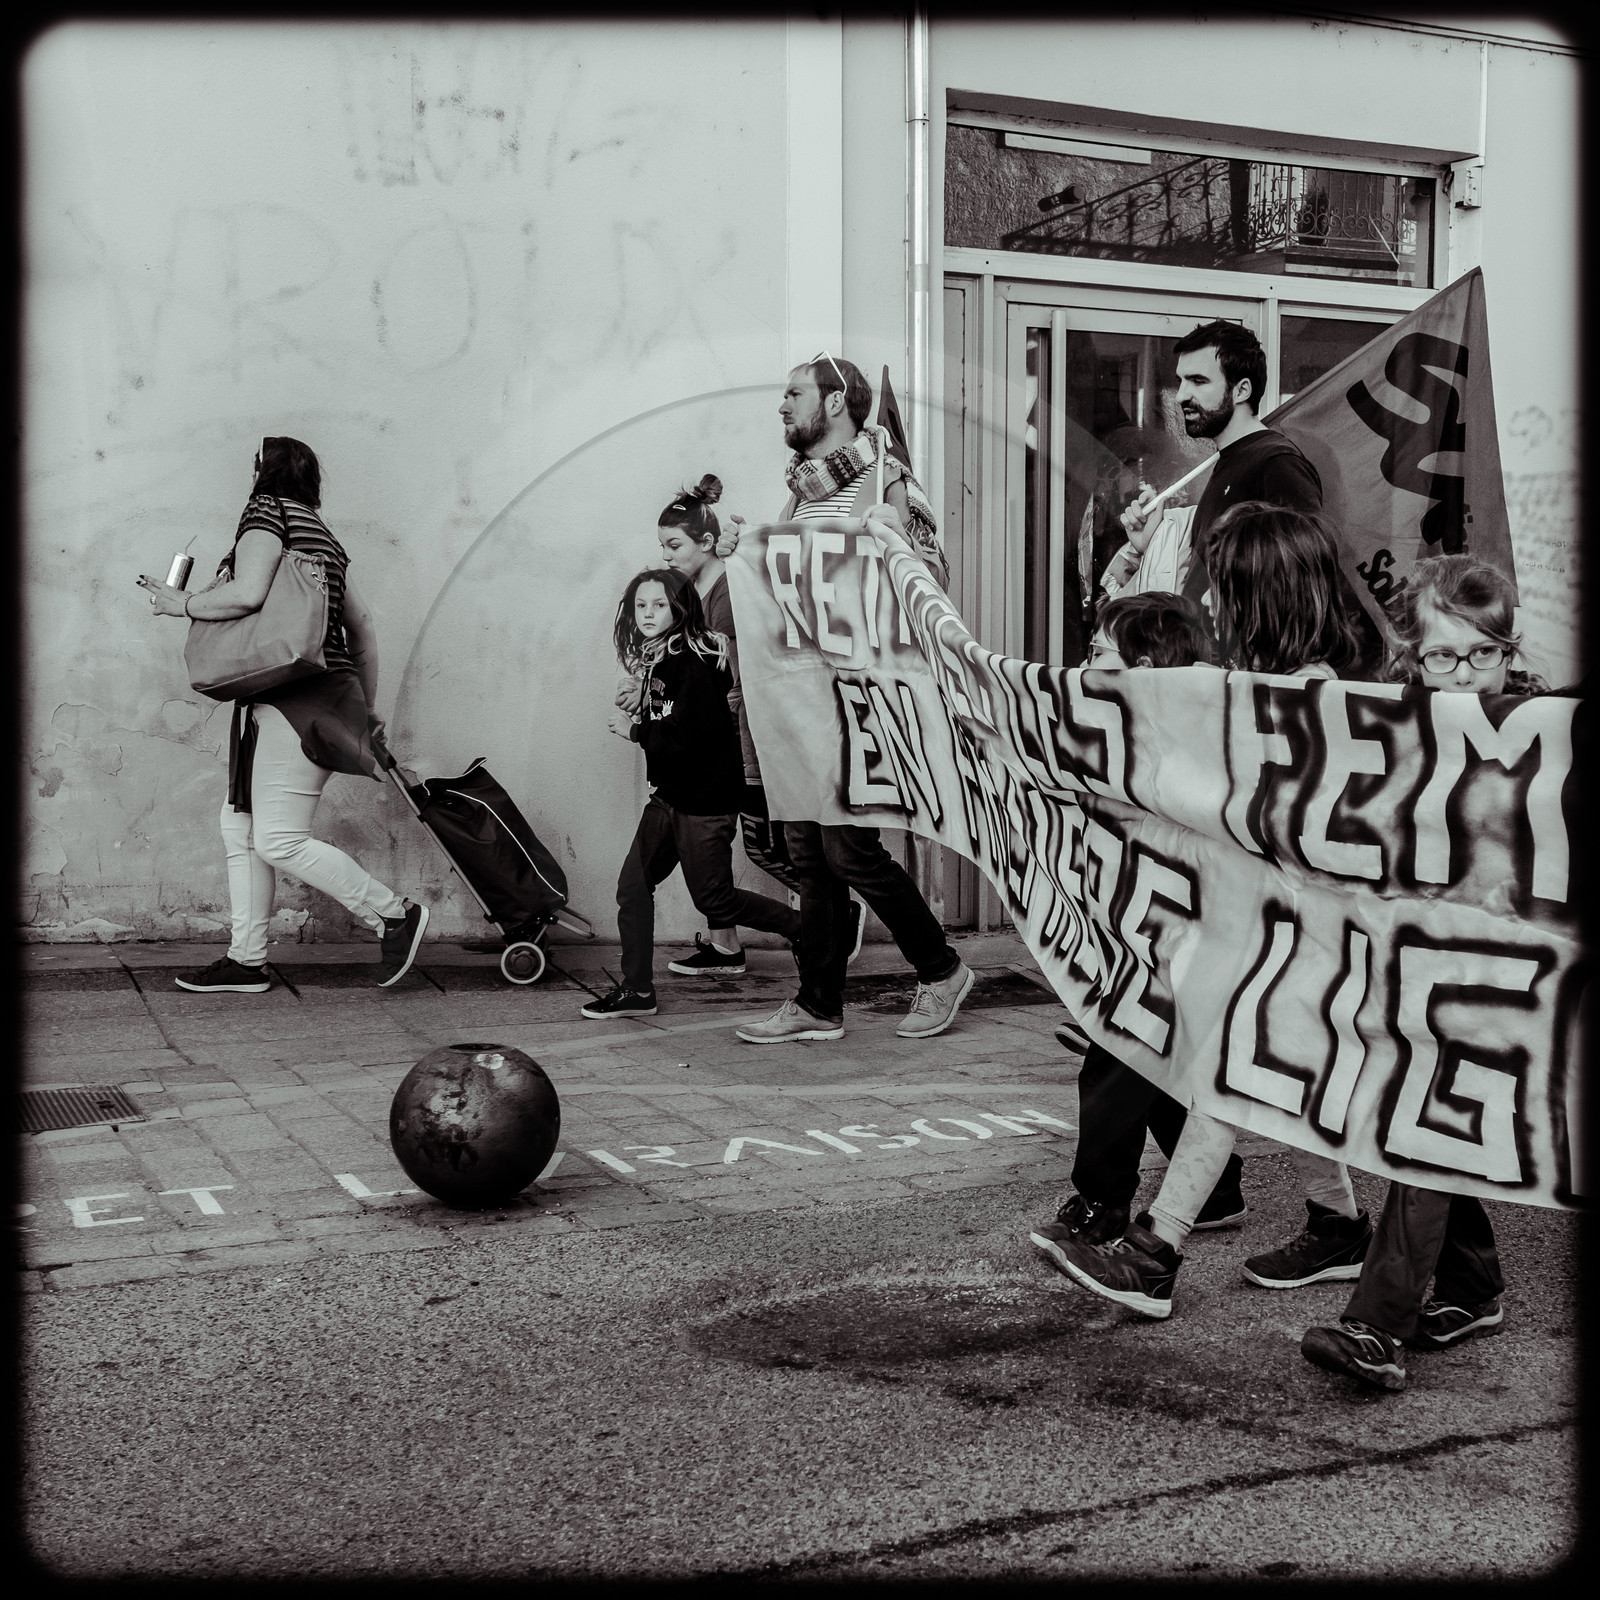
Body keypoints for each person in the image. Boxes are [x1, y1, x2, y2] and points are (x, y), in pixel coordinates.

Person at [1044, 503, 1374, 1319]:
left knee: (1235, 1073)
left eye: (1223, 589)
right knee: (1277, 1080)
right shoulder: (1270, 690)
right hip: (1274, 926)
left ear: (1263, 598)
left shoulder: (1312, 701)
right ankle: (1338, 1224)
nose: (1212, 604)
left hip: (1304, 931)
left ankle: (1158, 1250)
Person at [1301, 555, 1546, 1392]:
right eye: (1445, 657)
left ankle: (1375, 1323)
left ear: (1511, 651)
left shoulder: (1549, 735)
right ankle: (1473, 1286)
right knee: (1429, 1119)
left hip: (1515, 980)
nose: (1467, 676)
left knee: (1425, 1123)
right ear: (1412, 658)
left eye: (1486, 654)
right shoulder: (1395, 727)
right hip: (1430, 966)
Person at [719, 354, 974, 1045]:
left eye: (793, 393)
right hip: (805, 699)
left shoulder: (885, 477)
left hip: (857, 700)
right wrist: (746, 551)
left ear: (835, 402)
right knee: (807, 850)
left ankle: (941, 969)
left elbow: (930, 577)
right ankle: (817, 1003)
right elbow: (780, 587)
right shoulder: (802, 493)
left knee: (849, 851)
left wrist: (885, 542)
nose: (782, 406)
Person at [137, 437, 428, 992]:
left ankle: (394, 913)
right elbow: (362, 630)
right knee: (241, 826)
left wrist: (184, 604)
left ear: (261, 470)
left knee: (277, 839)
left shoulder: (264, 511)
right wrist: (364, 708)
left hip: (294, 698)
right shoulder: (323, 538)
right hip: (318, 697)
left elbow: (247, 595)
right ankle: (246, 960)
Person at [1029, 594, 1248, 1271]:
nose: (1083, 663)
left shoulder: (1188, 743)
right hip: (1149, 935)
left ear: (1144, 668)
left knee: (1118, 1053)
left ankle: (1101, 1204)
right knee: (1152, 1059)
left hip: (1183, 940)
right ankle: (1217, 1192)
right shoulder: (1125, 734)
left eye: (1098, 652)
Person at [1102, 321, 1383, 675]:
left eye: (1198, 381)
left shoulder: (1277, 463)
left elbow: (1302, 580)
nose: (1180, 396)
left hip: (1254, 682)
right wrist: (1149, 547)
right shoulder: (1230, 460)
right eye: (1181, 380)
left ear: (1241, 390)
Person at [583, 567, 802, 1018]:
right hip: (670, 796)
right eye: (640, 605)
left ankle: (807, 929)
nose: (647, 613)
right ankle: (638, 990)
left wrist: (636, 731)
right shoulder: (663, 656)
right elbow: (672, 710)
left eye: (658, 605)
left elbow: (692, 734)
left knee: (714, 899)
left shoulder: (695, 659)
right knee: (634, 886)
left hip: (704, 801)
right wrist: (640, 699)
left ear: (680, 608)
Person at [651, 474, 809, 977]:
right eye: (662, 546)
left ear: (704, 542)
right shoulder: (699, 591)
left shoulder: (726, 592)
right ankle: (725, 948)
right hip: (714, 747)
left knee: (761, 845)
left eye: (674, 545)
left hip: (740, 745)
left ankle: (830, 915)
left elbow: (735, 683)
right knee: (714, 849)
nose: (667, 555)